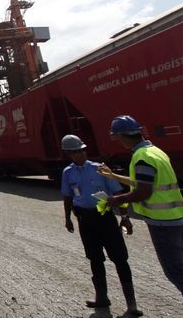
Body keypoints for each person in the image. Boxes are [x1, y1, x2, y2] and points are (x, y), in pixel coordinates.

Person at [100, 115, 183, 318]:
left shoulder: (141, 157)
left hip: (163, 224)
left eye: (117, 137)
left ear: (124, 136)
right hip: (178, 220)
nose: (119, 142)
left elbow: (143, 192)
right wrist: (114, 176)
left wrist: (115, 201)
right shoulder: (154, 151)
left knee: (175, 273)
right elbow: (142, 181)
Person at [60, 134, 142, 317]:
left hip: (105, 217)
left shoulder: (100, 169)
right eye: (76, 152)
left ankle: (132, 305)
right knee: (95, 258)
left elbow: (118, 192)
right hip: (85, 220)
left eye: (82, 150)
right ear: (69, 154)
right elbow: (67, 197)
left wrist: (125, 216)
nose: (81, 154)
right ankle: (102, 298)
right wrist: (67, 218)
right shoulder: (67, 173)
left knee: (120, 258)